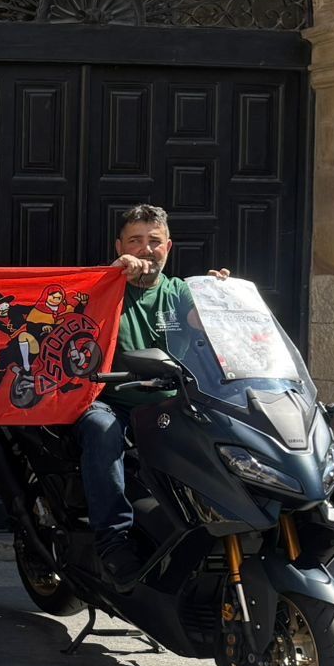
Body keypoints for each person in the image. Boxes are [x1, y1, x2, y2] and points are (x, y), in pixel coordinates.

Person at [81, 204, 222, 589]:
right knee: (100, 427)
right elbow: (76, 308)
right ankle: (113, 541)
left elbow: (214, 332)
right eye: (135, 241)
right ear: (120, 245)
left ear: (168, 247)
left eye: (154, 241)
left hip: (176, 402)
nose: (146, 249)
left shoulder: (181, 293)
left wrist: (221, 299)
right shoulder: (103, 288)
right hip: (116, 401)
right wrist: (112, 272)